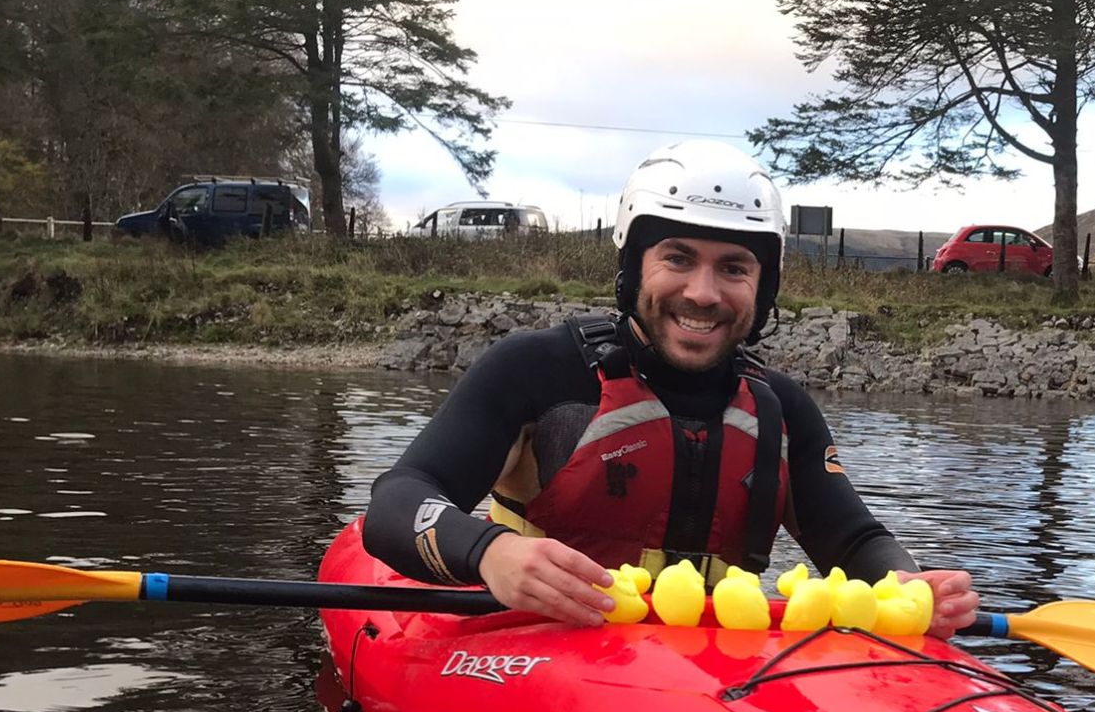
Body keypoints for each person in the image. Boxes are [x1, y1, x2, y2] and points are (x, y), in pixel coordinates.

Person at [366, 140, 979, 635]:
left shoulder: (781, 409)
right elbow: (398, 502)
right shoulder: (536, 370)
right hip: (538, 642)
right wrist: (489, 553)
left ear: (762, 289)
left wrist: (906, 583)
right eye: (678, 258)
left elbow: (855, 539)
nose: (704, 293)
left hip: (709, 674)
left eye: (734, 268)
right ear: (634, 269)